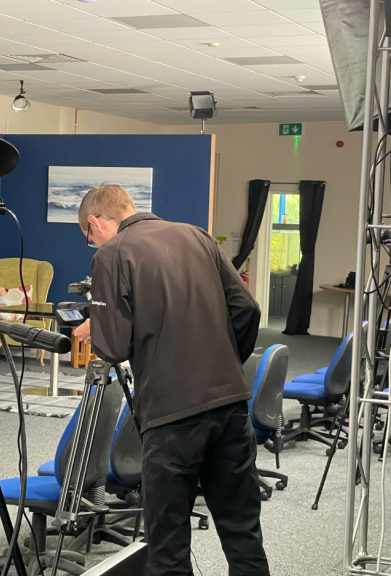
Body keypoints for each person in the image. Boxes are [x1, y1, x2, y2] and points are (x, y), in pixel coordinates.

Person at [73, 184, 269, 576]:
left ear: (95, 222)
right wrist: (226, 361)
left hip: (171, 415)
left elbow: (113, 347)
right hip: (229, 402)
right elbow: (247, 307)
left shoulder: (112, 254)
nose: (93, 245)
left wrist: (101, 324)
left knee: (169, 544)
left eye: (89, 238)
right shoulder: (195, 235)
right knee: (242, 531)